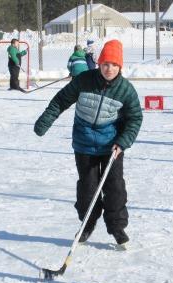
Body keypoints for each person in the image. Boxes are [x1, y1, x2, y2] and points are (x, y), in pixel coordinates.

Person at [34, 39, 143, 247]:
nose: (108, 69)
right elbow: (61, 100)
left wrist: (123, 142)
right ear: (99, 63)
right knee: (87, 188)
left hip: (112, 146)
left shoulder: (126, 89)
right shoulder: (84, 80)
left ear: (120, 66)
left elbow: (135, 118)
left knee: (115, 187)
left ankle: (117, 227)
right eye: (105, 64)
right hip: (84, 144)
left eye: (113, 65)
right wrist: (44, 122)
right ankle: (87, 224)